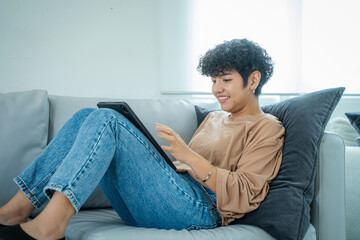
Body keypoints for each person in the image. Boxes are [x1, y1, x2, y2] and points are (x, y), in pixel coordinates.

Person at [0, 38, 285, 239]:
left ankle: (51, 224)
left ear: (253, 79)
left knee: (107, 120)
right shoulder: (214, 118)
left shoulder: (267, 128)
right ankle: (17, 208)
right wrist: (170, 162)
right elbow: (183, 170)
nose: (216, 89)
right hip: (166, 199)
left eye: (225, 80)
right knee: (85, 116)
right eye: (213, 80)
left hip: (202, 210)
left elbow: (247, 193)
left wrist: (190, 158)